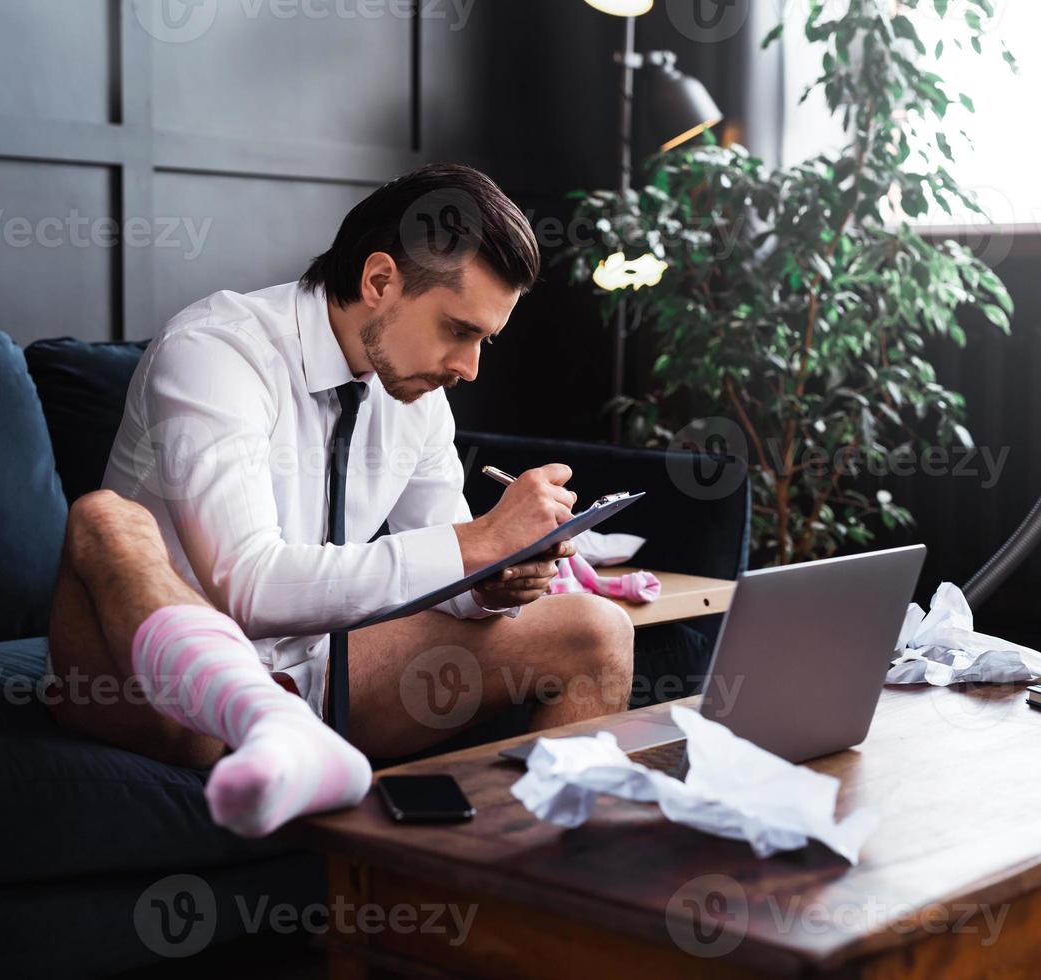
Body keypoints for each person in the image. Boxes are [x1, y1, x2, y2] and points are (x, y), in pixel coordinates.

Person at [45, 164, 636, 837]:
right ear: (379, 281)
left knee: (596, 631)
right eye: (457, 330)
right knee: (103, 517)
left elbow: (447, 570)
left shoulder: (418, 398)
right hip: (151, 684)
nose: (469, 368)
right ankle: (266, 722)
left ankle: (525, 901)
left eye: (483, 340)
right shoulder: (217, 350)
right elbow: (249, 586)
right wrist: (478, 542)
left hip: (316, 668)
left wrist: (496, 579)